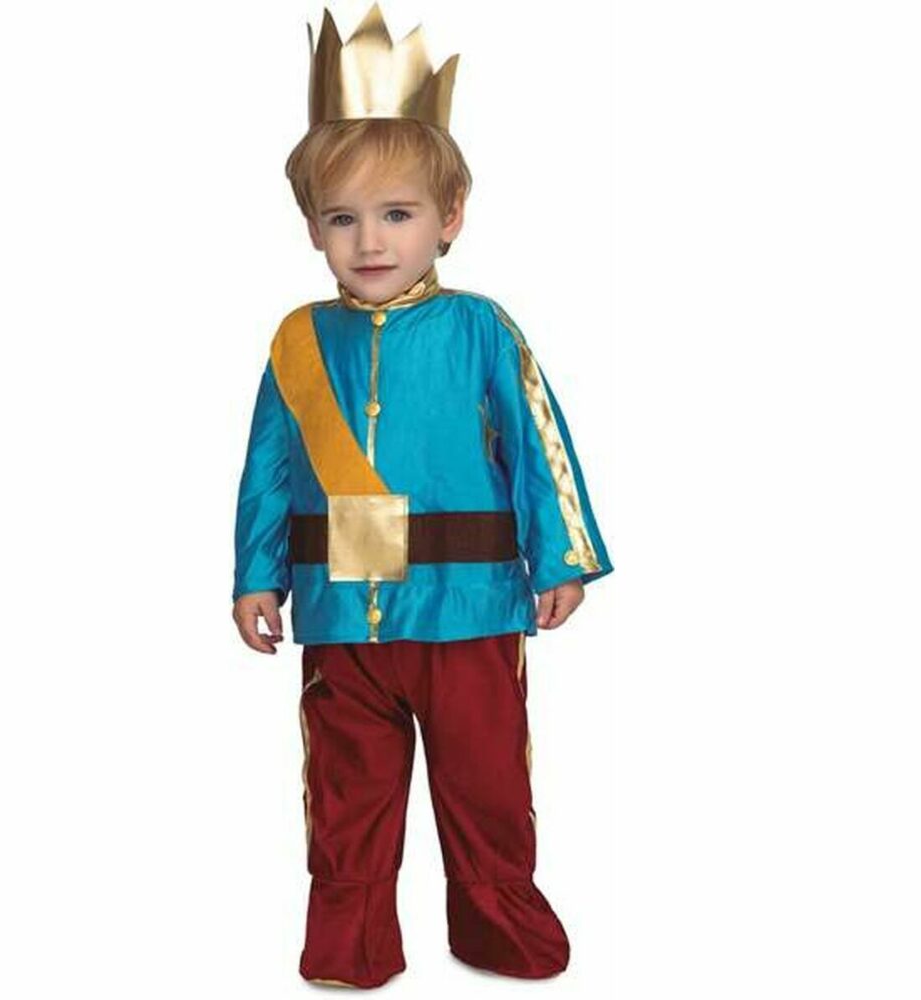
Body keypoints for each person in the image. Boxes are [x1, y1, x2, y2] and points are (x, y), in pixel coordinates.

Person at [231, 3, 613, 987]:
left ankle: (496, 931)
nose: (369, 240)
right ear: (311, 227)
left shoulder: (481, 327)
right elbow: (267, 470)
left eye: (396, 213)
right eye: (342, 218)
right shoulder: (296, 342)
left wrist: (563, 558)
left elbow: (539, 444)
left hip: (469, 611)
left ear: (449, 216)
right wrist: (255, 577)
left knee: (485, 785)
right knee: (345, 792)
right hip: (338, 619)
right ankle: (349, 946)